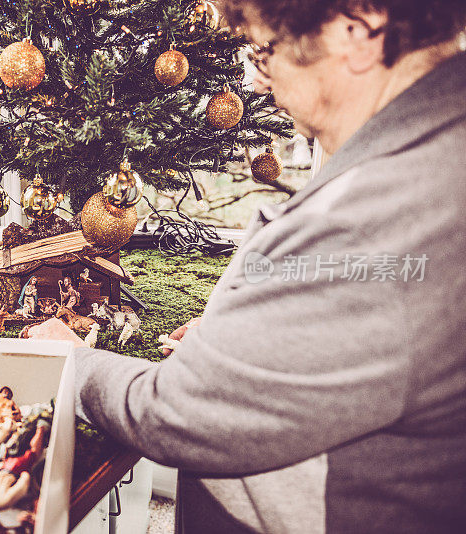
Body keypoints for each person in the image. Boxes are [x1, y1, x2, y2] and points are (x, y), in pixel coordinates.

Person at [28, 1, 466, 532]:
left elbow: (178, 413)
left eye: (264, 51)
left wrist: (71, 363)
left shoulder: (379, 209)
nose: (257, 84)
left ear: (356, 29)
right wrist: (252, 336)